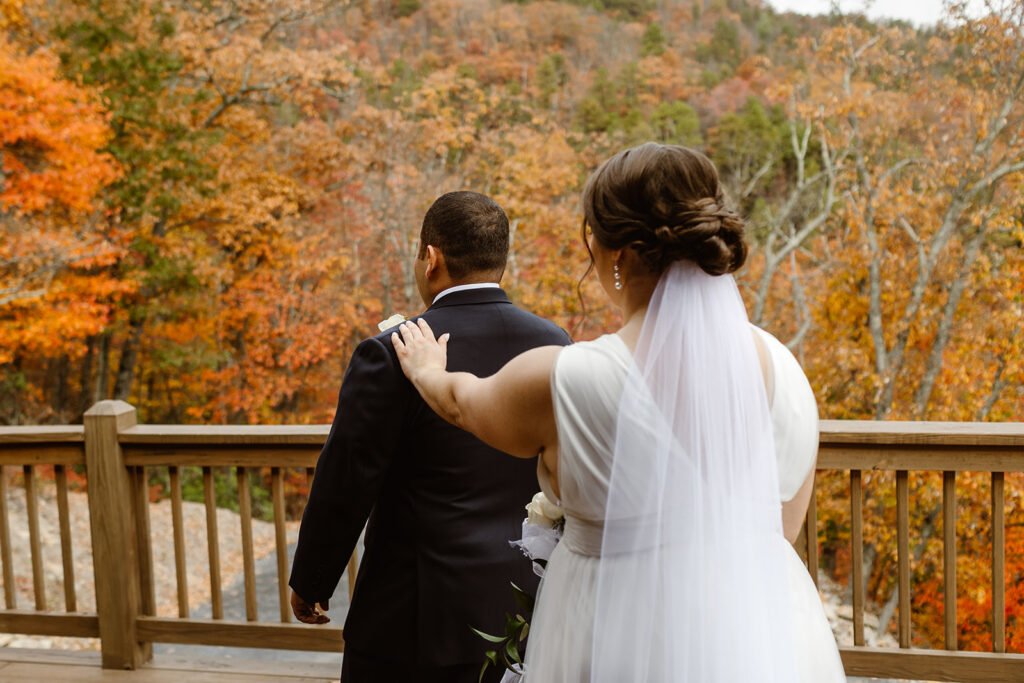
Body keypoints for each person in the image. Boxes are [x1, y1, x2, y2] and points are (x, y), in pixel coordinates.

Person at [391, 143, 846, 681]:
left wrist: (426, 370)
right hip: (767, 641)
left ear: (617, 255)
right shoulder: (788, 371)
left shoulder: (571, 377)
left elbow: (462, 404)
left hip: (609, 641)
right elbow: (782, 528)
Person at [289, 191, 571, 683]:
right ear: (501, 260)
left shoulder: (392, 352)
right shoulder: (556, 344)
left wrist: (312, 580)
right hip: (529, 604)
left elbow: (348, 479)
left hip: (413, 615)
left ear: (431, 257)